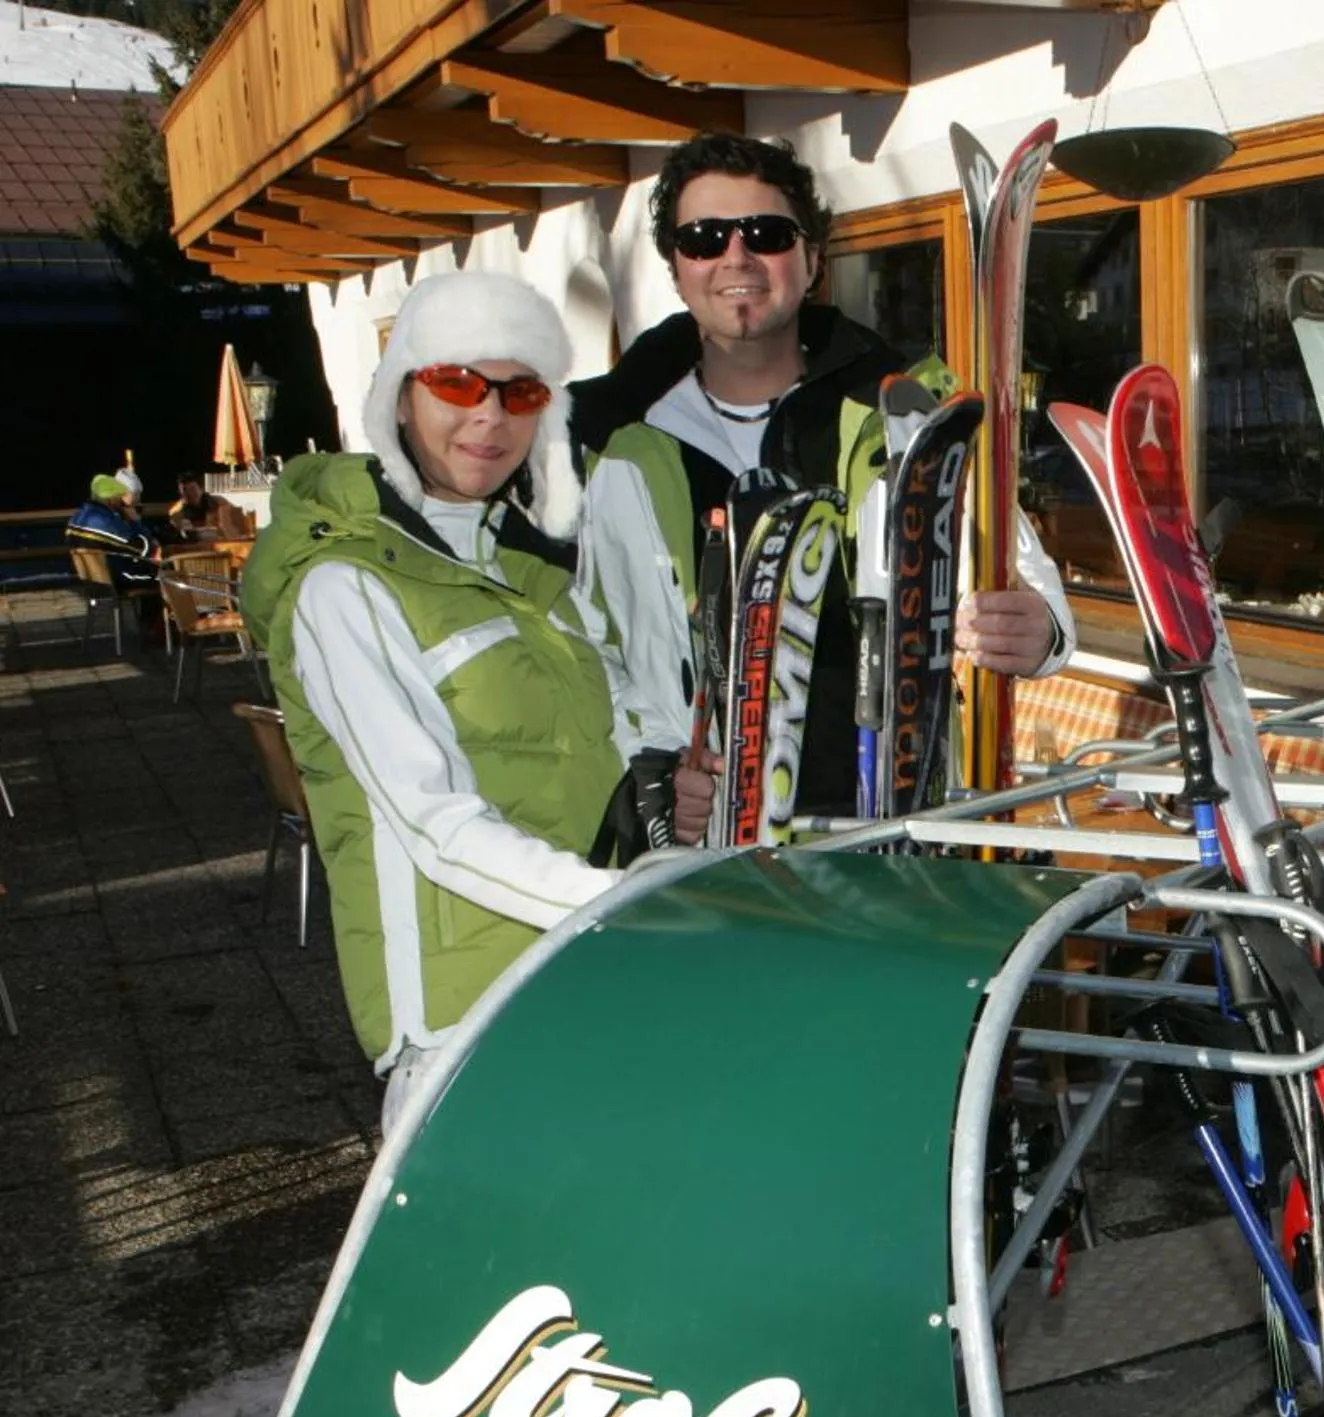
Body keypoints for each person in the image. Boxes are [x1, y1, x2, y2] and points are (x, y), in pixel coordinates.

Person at [571, 131, 1075, 841]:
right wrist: (652, 780)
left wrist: (1041, 630)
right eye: (705, 238)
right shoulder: (621, 452)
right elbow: (595, 651)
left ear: (811, 260)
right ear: (677, 268)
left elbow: (1023, 579)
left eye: (767, 234)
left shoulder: (898, 415)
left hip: (893, 826)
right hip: (713, 844)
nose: (736, 257)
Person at [239, 271, 632, 1122]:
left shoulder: (525, 575)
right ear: (400, 396)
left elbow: (587, 760)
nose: (489, 416)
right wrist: (636, 906)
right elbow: (434, 824)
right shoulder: (343, 586)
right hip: (462, 1023)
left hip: (573, 980)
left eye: (520, 390)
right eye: (457, 382)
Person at [65, 472, 158, 589]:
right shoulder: (106, 521)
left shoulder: (78, 517)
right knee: (165, 578)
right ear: (109, 498)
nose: (120, 499)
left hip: (93, 581)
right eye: (118, 496)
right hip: (119, 578)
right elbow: (142, 549)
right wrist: (135, 522)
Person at [169, 473, 251, 541]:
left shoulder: (221, 503)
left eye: (192, 489)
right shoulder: (176, 512)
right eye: (184, 490)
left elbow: (238, 528)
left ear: (201, 489)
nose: (189, 493)